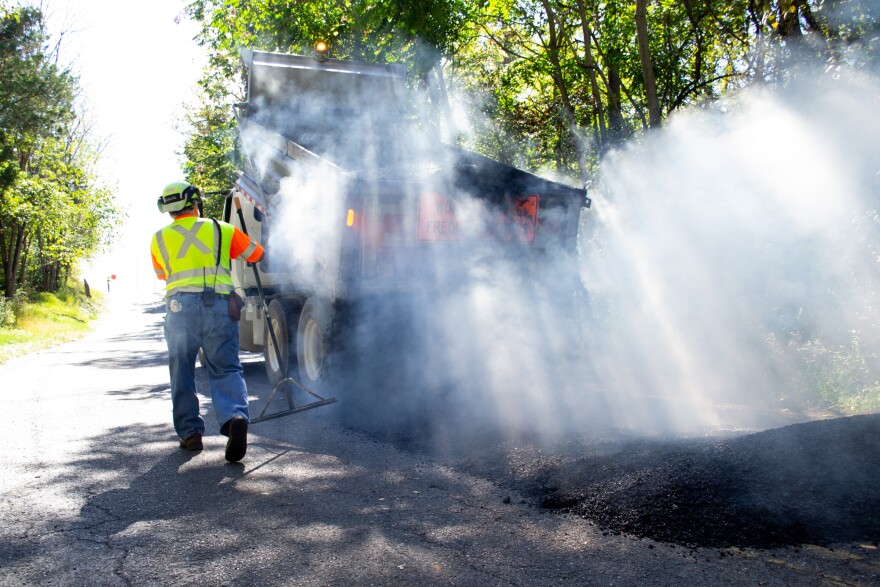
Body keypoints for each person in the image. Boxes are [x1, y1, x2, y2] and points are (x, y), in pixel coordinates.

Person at [150, 181, 264, 462]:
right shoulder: (221, 230)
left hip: (180, 311)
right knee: (225, 368)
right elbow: (256, 254)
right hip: (219, 308)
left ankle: (190, 435)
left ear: (168, 210)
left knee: (182, 371)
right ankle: (234, 416)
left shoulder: (159, 238)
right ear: (196, 202)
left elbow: (162, 275)